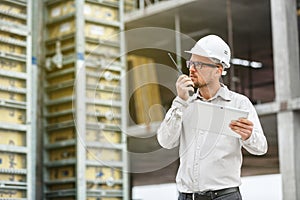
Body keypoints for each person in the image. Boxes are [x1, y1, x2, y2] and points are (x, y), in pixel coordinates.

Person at [157, 34, 268, 200]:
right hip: (187, 196)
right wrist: (180, 101)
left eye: (199, 64)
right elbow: (165, 142)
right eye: (191, 63)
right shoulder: (184, 105)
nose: (192, 69)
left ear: (219, 70)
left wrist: (248, 136)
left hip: (224, 196)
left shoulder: (239, 103)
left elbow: (261, 148)